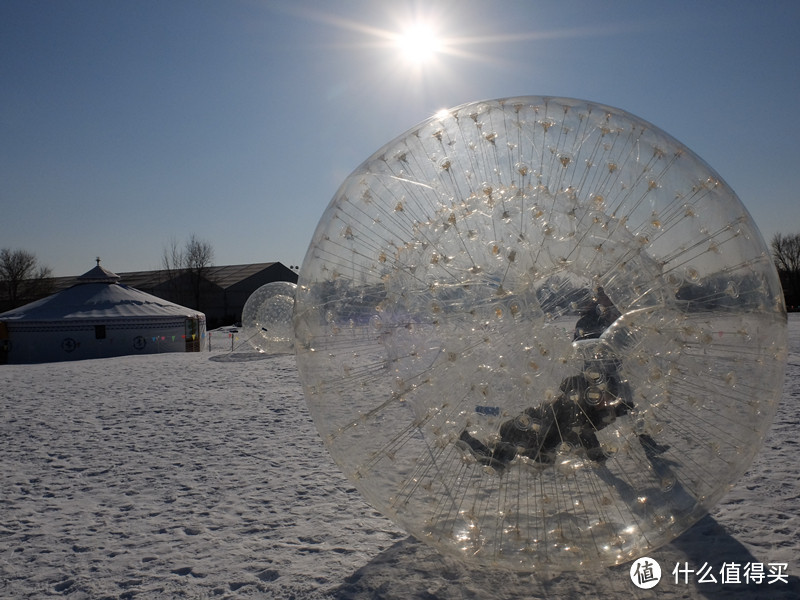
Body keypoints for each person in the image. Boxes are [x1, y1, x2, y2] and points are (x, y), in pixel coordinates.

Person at [457, 286, 668, 472]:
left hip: (609, 377)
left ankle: (645, 445)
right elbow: (580, 348)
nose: (607, 300)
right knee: (575, 421)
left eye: (609, 296)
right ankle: (472, 443)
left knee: (617, 410)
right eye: (602, 295)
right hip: (592, 377)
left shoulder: (613, 318)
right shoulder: (587, 321)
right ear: (596, 298)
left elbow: (630, 341)